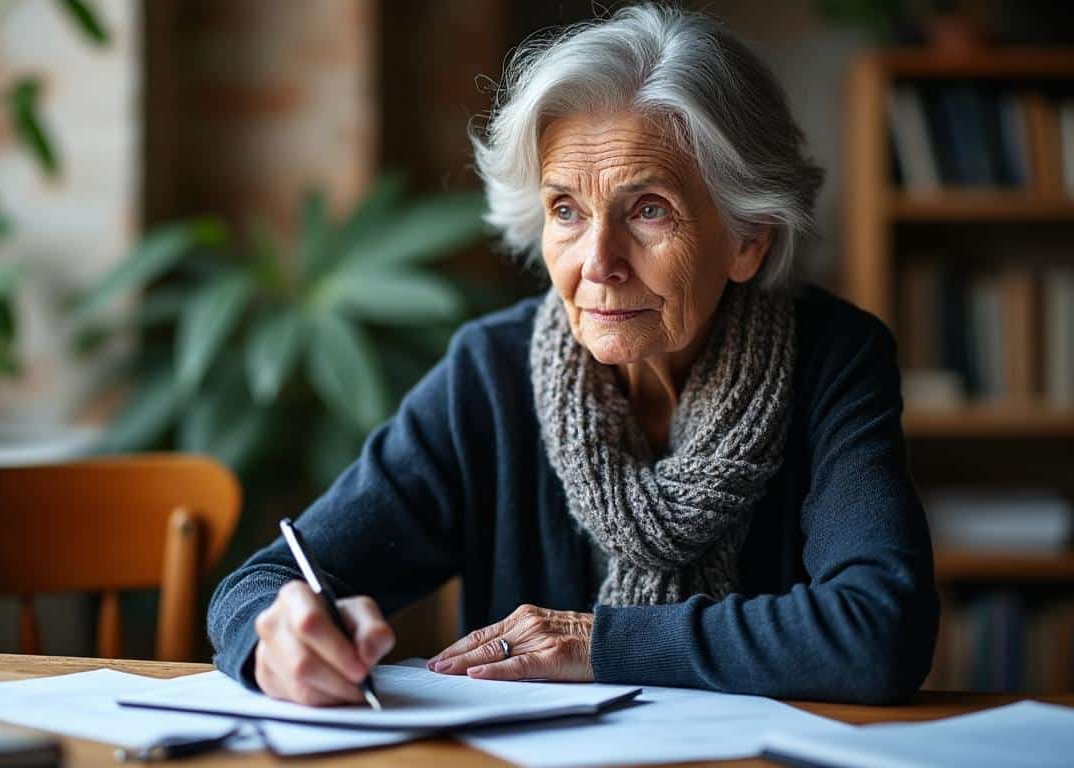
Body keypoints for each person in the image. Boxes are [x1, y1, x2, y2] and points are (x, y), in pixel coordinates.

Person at [207, 3, 938, 706]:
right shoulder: (490, 373)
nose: (599, 263)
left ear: (749, 238)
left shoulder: (832, 359)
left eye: (649, 209)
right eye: (567, 210)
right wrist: (278, 638)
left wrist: (601, 643)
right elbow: (266, 581)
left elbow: (878, 632)